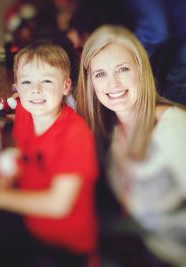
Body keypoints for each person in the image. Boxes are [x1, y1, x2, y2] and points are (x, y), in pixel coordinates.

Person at [76, 24, 186, 267]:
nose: (112, 84)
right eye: (100, 74)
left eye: (122, 69)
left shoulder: (172, 128)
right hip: (149, 247)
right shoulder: (114, 131)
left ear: (141, 70)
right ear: (91, 82)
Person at [0, 41, 99, 267]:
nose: (35, 89)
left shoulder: (75, 134)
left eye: (47, 80)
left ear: (66, 86)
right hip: (30, 226)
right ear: (17, 86)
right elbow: (27, 154)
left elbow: (59, 204)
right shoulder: (25, 112)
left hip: (66, 246)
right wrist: (9, 175)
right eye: (26, 81)